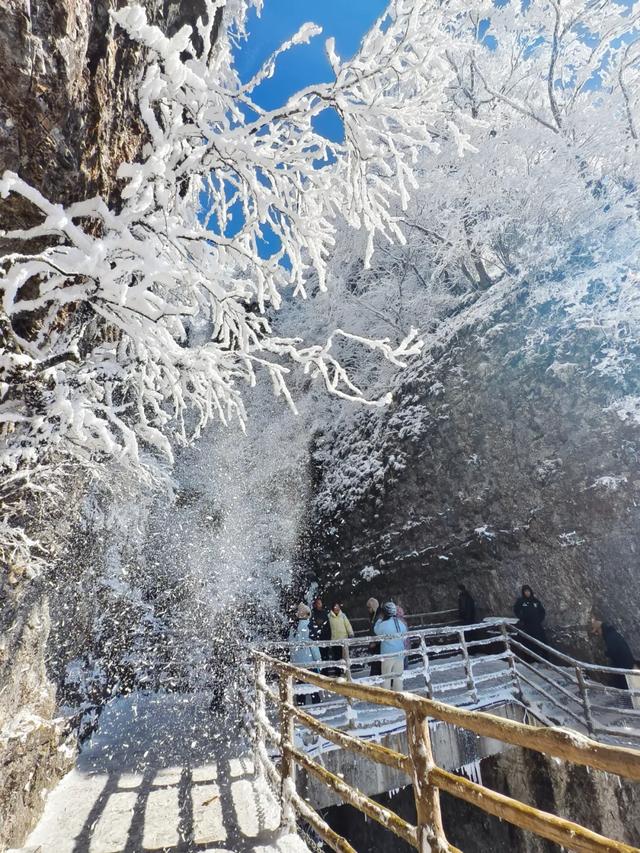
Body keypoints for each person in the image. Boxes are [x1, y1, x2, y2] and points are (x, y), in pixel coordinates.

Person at [591, 616, 635, 691]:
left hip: (623, 666)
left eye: (597, 631)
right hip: (626, 663)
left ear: (601, 629)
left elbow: (613, 651)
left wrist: (606, 653)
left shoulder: (610, 637)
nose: (598, 634)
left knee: (623, 686)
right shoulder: (612, 633)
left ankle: (624, 698)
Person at [289, 603, 321, 704]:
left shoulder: (293, 628)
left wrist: (293, 661)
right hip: (309, 661)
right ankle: (317, 706)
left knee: (300, 688)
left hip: (297, 663)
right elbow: (313, 646)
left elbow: (291, 647)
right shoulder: (309, 626)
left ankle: (301, 706)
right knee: (313, 687)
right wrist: (318, 660)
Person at [374, 602, 408, 691]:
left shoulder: (383, 624)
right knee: (398, 678)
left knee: (386, 677)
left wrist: (378, 620)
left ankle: (387, 696)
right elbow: (405, 635)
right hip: (400, 654)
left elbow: (376, 631)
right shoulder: (400, 623)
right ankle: (399, 695)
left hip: (387, 655)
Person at [328, 602, 354, 675]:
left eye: (338, 607)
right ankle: (338, 673)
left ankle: (346, 672)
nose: (337, 608)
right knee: (336, 658)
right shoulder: (329, 617)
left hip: (343, 641)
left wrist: (351, 633)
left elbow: (347, 625)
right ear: (333, 608)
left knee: (345, 657)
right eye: (335, 607)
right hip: (334, 641)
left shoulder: (343, 616)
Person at [309, 597, 331, 664]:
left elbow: (328, 625)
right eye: (318, 603)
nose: (319, 605)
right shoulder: (313, 613)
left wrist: (329, 636)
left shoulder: (324, 613)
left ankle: (326, 672)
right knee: (318, 656)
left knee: (326, 656)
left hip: (325, 637)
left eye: (320, 603)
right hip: (317, 639)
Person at [366, 597, 383, 678]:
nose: (368, 609)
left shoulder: (379, 617)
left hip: (378, 645)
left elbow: (380, 631)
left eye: (369, 607)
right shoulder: (373, 616)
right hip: (375, 644)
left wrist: (375, 642)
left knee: (376, 667)